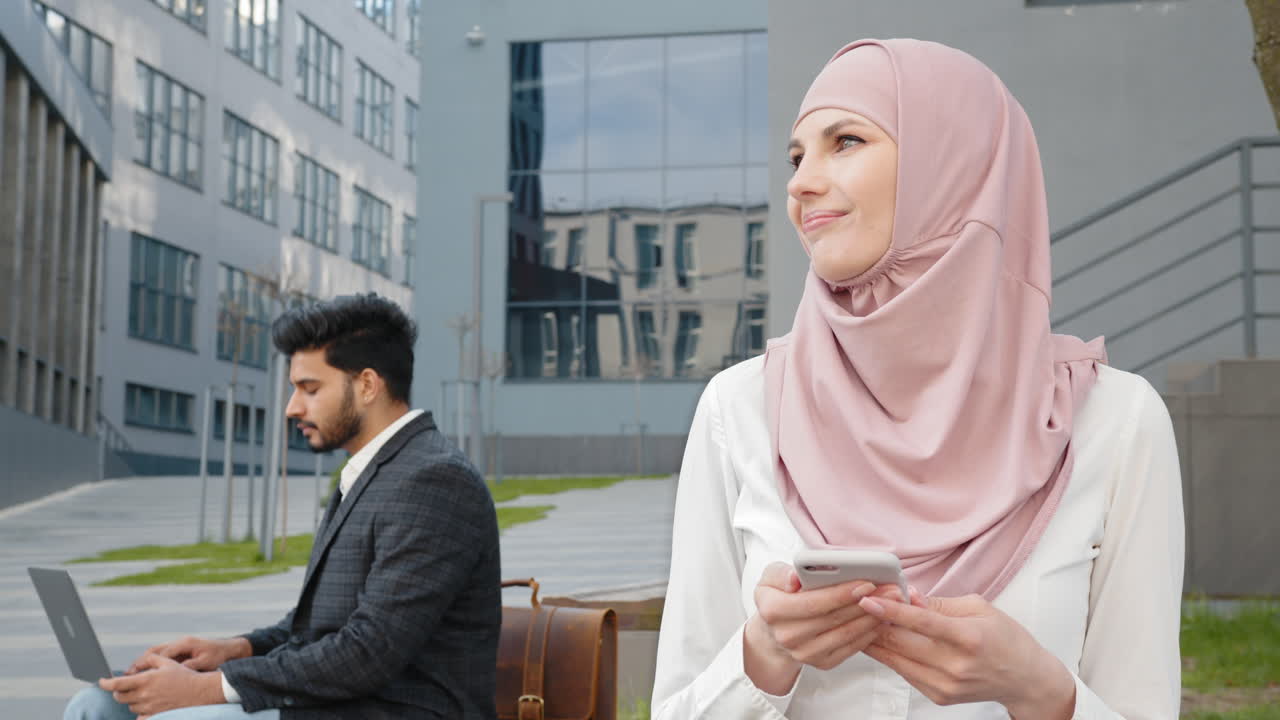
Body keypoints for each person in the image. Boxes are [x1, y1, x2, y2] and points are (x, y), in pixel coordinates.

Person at [651, 39, 1183, 719]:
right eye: (796, 156)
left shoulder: (1115, 423)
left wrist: (1037, 688)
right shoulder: (742, 409)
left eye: (846, 141)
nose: (800, 183)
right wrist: (764, 655)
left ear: (954, 164)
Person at [66, 294, 502, 720]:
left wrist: (207, 687)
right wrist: (235, 649)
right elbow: (318, 627)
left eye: (310, 389)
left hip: (394, 708)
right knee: (98, 705)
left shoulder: (434, 479)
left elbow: (369, 652)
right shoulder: (371, 472)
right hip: (330, 701)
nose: (292, 408)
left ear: (367, 385)